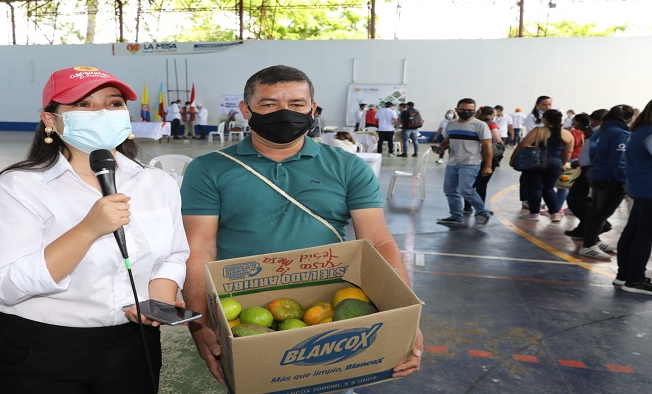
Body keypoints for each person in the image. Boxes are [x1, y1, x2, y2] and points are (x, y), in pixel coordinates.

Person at [180, 65, 422, 388]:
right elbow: (198, 248)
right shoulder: (209, 170)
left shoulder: (348, 167)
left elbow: (378, 242)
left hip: (325, 311)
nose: (284, 112)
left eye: (296, 104)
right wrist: (200, 323)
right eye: (268, 104)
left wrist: (407, 316)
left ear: (312, 108)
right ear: (245, 110)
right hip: (241, 313)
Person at [0, 66, 188, 393]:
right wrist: (88, 229)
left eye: (114, 104)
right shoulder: (19, 187)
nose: (101, 112)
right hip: (35, 351)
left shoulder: (155, 183)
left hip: (132, 346)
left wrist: (160, 295)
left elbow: (174, 254)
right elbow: (6, 286)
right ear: (50, 120)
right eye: (83, 105)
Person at [577, 105, 634, 259]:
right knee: (601, 213)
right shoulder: (621, 134)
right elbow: (619, 161)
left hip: (597, 175)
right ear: (628, 118)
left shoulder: (600, 131)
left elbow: (593, 154)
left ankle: (593, 240)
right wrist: (623, 181)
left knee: (595, 210)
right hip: (611, 179)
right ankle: (589, 245)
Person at [434, 98, 492, 227]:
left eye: (470, 110)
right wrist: (441, 148)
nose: (466, 112)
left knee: (465, 190)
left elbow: (487, 147)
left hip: (470, 163)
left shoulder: (480, 125)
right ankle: (456, 216)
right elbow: (446, 142)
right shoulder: (451, 125)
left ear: (474, 111)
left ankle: (483, 213)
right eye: (463, 110)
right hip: (452, 163)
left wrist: (488, 166)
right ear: (457, 110)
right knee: (449, 190)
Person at [510, 109, 574, 222]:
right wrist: (563, 164)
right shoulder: (567, 134)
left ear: (544, 119)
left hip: (536, 163)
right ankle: (555, 214)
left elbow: (522, 145)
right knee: (549, 189)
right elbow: (568, 152)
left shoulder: (539, 131)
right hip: (555, 164)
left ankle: (534, 213)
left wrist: (513, 158)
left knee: (535, 188)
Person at [615, 99, 652, 294]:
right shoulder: (649, 133)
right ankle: (635, 279)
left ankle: (624, 274)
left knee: (633, 231)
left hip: (640, 188)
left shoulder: (639, 131)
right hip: (649, 189)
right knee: (644, 235)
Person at [565, 109, 610, 238]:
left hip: (591, 169)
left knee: (575, 199)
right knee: (586, 199)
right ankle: (583, 228)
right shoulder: (598, 132)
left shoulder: (601, 133)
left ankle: (600, 224)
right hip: (588, 167)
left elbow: (595, 153)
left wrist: (585, 164)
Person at [463, 106, 503, 214]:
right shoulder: (491, 124)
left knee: (470, 184)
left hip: (472, 156)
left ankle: (467, 207)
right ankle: (480, 209)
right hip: (487, 156)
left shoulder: (473, 123)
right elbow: (498, 139)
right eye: (494, 115)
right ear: (489, 116)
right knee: (482, 184)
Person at [520, 96, 554, 209]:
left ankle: (536, 201)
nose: (547, 107)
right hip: (535, 148)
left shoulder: (553, 117)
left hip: (548, 149)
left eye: (549, 104)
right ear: (537, 105)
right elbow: (532, 133)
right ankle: (526, 200)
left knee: (543, 179)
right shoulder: (532, 117)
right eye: (544, 104)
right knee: (528, 176)